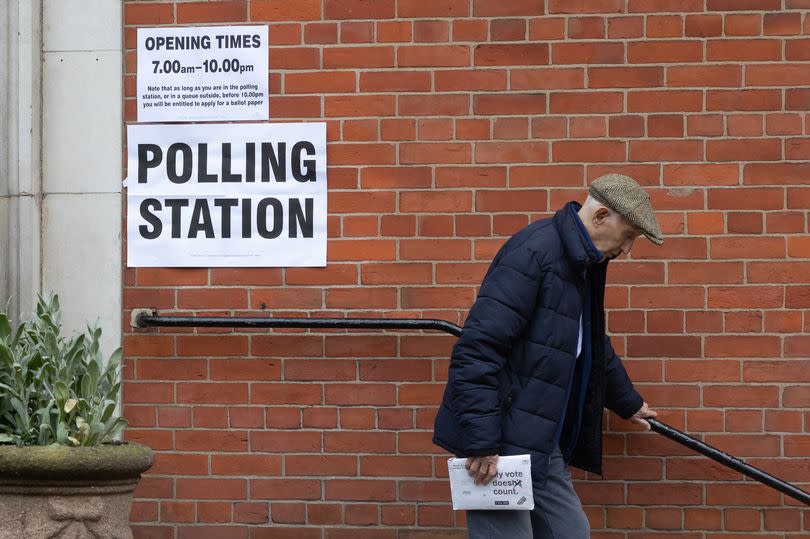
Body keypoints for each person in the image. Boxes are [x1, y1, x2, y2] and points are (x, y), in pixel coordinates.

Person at [433, 174, 662, 538]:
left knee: (571, 532)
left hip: (541, 436)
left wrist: (627, 402)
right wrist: (482, 441)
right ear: (601, 216)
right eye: (629, 235)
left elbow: (589, 343)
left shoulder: (581, 264)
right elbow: (477, 349)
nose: (627, 250)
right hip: (499, 440)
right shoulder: (534, 254)